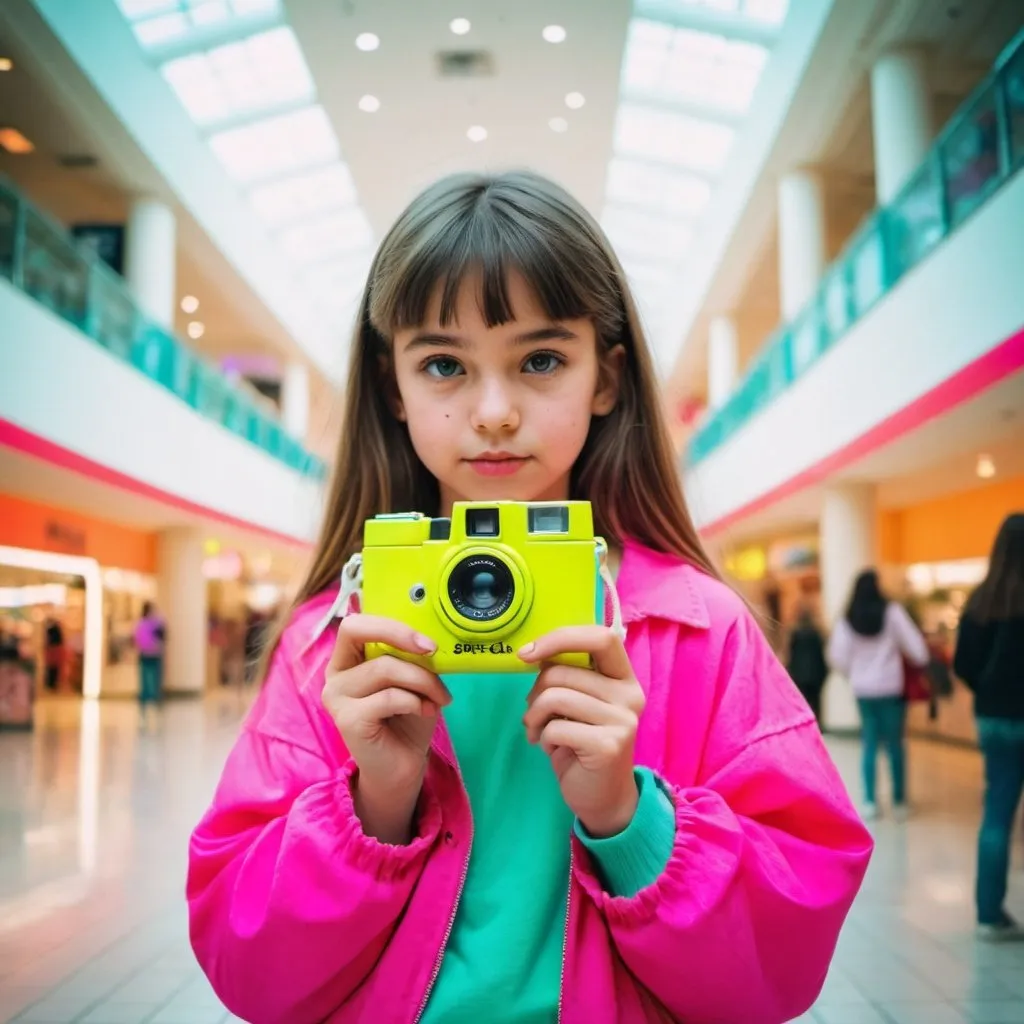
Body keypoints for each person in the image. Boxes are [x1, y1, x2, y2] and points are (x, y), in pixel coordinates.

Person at [186, 171, 873, 1023]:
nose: (495, 411)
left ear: (606, 378)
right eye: (444, 364)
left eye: (541, 360)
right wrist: (374, 805)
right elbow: (250, 965)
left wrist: (629, 818)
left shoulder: (700, 630)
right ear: (393, 387)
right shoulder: (329, 643)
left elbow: (781, 960)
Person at [953, 513, 1024, 942]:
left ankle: (988, 914)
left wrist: (988, 690)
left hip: (994, 717)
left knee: (997, 813)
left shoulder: (982, 600)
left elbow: (964, 663)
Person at [828, 569, 928, 821]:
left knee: (869, 744)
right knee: (895, 744)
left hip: (863, 689)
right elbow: (918, 650)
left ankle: (870, 801)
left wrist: (853, 673)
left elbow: (837, 656)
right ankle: (899, 802)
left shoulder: (848, 618)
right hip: (890, 688)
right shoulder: (892, 612)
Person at [787, 605, 829, 727]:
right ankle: (817, 726)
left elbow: (791, 654)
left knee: (801, 702)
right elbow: (820, 654)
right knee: (816, 702)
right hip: (815, 674)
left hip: (799, 673)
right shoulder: (817, 633)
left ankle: (804, 726)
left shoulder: (795, 633)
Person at [134, 601, 166, 724]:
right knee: (153, 681)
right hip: (153, 654)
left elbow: (136, 640)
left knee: (146, 681)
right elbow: (163, 636)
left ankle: (146, 708)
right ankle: (154, 706)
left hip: (146, 655)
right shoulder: (155, 623)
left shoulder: (140, 624)